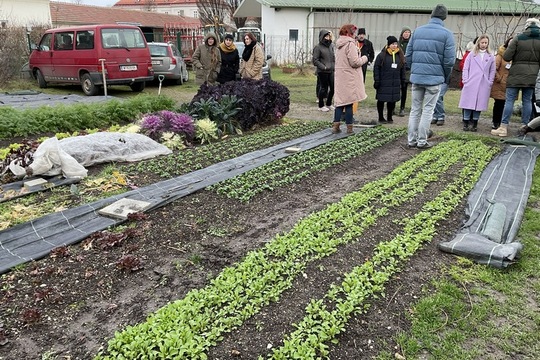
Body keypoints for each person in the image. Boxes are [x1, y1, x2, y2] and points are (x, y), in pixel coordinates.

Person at [405, 4, 455, 149]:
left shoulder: (418, 31)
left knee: (415, 110)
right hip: (434, 79)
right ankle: (421, 141)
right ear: (444, 17)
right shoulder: (447, 34)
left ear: (431, 15)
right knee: (428, 110)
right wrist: (445, 76)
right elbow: (449, 61)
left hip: (417, 77)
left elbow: (408, 55)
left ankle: (411, 140)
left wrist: (414, 70)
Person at [492, 18, 540, 137]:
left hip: (515, 75)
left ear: (527, 26)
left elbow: (507, 56)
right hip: (532, 76)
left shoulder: (518, 38)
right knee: (527, 101)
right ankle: (524, 126)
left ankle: (503, 128)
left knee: (509, 101)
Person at [332, 23, 369, 134]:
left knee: (339, 102)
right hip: (349, 77)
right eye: (353, 32)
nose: (355, 34)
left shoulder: (339, 44)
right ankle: (349, 128)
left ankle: (336, 126)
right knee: (349, 102)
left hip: (340, 76)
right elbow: (354, 62)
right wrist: (364, 58)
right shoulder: (350, 44)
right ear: (349, 33)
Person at [458, 34, 496, 132]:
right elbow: (466, 67)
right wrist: (465, 80)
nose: (484, 45)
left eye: (486, 43)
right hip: (471, 81)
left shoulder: (491, 56)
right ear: (478, 43)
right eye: (482, 42)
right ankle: (465, 122)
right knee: (468, 103)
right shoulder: (472, 54)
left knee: (479, 104)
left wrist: (490, 81)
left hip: (483, 83)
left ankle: (475, 123)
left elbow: (492, 70)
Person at [373, 35, 406, 123]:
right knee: (381, 99)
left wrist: (403, 80)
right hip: (384, 81)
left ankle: (389, 116)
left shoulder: (400, 55)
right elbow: (376, 68)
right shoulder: (381, 55)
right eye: (392, 44)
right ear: (388, 45)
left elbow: (403, 68)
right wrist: (377, 80)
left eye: (396, 44)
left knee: (392, 101)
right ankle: (380, 117)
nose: (394, 45)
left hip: (395, 82)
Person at [490, 37, 512, 130]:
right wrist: (498, 78)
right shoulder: (500, 55)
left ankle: (503, 123)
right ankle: (495, 122)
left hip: (510, 83)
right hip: (500, 83)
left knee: (506, 104)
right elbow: (494, 68)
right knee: (499, 103)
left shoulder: (516, 55)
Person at [313, 29, 335, 112]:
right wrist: (323, 67)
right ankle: (321, 105)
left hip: (331, 70)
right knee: (323, 88)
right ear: (322, 37)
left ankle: (329, 104)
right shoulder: (318, 47)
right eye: (326, 36)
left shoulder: (331, 46)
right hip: (322, 71)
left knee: (333, 88)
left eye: (329, 36)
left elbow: (333, 57)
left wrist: (334, 66)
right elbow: (315, 60)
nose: (328, 37)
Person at [398, 26, 412, 116]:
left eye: (408, 32)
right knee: (395, 88)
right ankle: (392, 107)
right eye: (405, 32)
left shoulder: (412, 44)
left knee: (404, 89)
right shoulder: (398, 44)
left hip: (407, 69)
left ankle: (402, 108)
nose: (407, 34)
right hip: (397, 68)